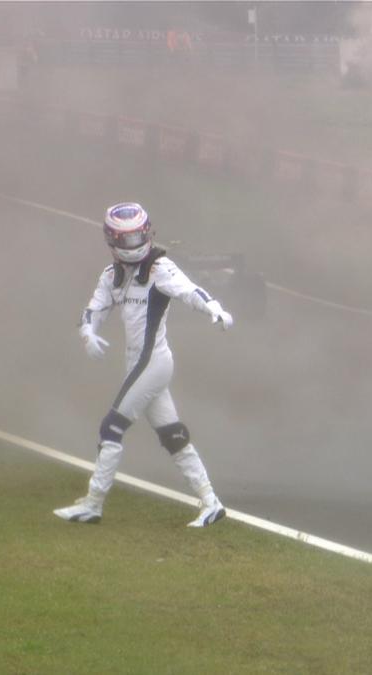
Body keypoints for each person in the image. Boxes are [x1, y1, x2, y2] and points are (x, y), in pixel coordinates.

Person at [54, 202, 234, 527]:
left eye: (138, 236)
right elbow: (93, 309)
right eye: (125, 239)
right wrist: (88, 333)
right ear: (112, 241)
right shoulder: (112, 275)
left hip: (154, 363)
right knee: (172, 434)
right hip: (139, 364)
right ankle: (211, 502)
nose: (133, 244)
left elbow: (191, 291)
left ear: (148, 233)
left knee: (112, 427)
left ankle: (94, 503)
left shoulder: (159, 268)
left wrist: (215, 309)